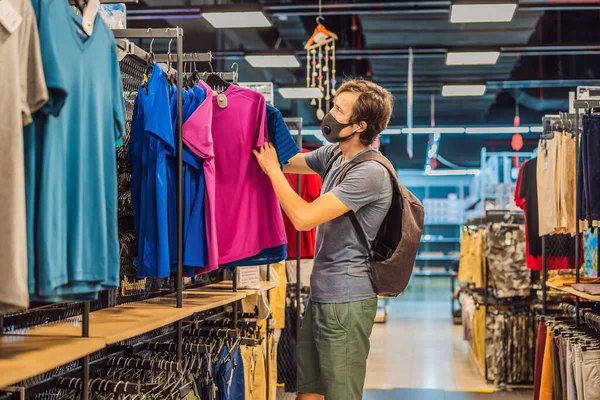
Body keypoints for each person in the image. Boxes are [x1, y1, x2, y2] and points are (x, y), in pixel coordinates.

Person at [253, 79, 395, 400]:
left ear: (359, 126)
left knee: (340, 394)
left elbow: (303, 218)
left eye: (339, 110)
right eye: (333, 105)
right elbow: (290, 161)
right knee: (309, 392)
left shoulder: (369, 172)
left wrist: (274, 173)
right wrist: (264, 114)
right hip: (320, 298)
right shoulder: (333, 155)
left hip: (346, 303)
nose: (330, 114)